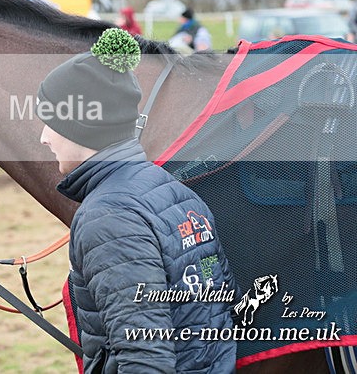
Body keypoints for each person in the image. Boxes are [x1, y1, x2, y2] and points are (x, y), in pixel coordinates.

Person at [37, 28, 237, 373]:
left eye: (50, 122)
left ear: (79, 124)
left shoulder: (108, 217)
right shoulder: (173, 190)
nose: (44, 138)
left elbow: (144, 356)